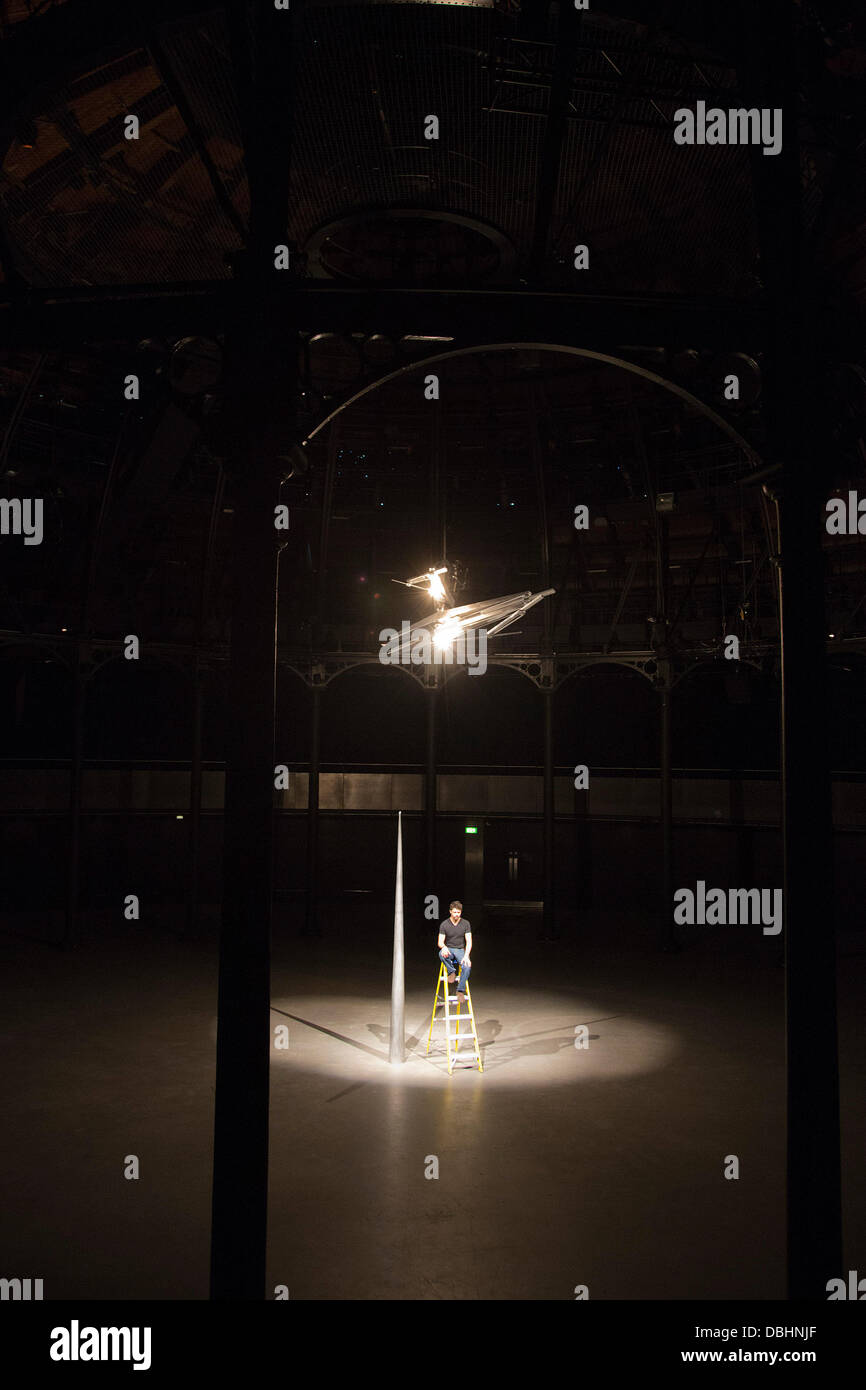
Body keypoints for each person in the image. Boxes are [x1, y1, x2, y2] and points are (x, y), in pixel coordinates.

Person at [437, 900, 472, 1004]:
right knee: (441, 954)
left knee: (467, 966)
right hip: (449, 949)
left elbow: (469, 941)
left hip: (460, 950)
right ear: (450, 912)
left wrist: (466, 956)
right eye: (455, 912)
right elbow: (440, 942)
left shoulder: (465, 923)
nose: (457, 914)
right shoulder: (444, 924)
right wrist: (443, 947)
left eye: (459, 912)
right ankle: (451, 971)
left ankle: (460, 991)